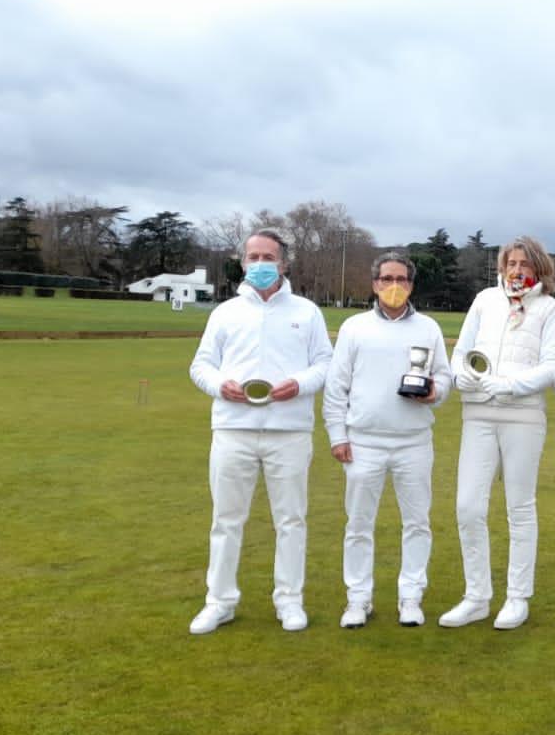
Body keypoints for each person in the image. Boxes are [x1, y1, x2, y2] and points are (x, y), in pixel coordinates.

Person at [187, 229, 333, 634]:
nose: (260, 264)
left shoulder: (306, 312)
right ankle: (219, 601)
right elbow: (200, 366)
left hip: (289, 431)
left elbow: (325, 363)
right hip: (233, 429)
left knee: (291, 520)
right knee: (226, 520)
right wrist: (221, 386)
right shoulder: (225, 313)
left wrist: (299, 384)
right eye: (253, 257)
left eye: (268, 257)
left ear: (284, 263)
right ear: (243, 263)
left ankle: (289, 600)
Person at [438, 236, 555, 631]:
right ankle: (476, 596)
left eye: (524, 264)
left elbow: (552, 365)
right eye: (511, 263)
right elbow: (460, 354)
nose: (516, 270)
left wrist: (509, 386)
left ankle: (517, 597)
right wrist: (464, 378)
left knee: (519, 508)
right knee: (468, 507)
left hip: (523, 416)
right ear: (501, 266)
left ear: (538, 268)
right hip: (477, 415)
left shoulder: (548, 308)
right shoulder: (484, 300)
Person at [323, 252, 452, 629]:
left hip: (414, 441)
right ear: (375, 283)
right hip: (363, 441)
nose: (394, 286)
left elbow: (444, 377)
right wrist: (337, 435)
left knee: (417, 522)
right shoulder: (353, 327)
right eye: (387, 279)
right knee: (359, 523)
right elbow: (336, 387)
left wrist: (434, 393)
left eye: (402, 279)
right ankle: (358, 599)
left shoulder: (428, 328)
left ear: (411, 285)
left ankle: (411, 597)